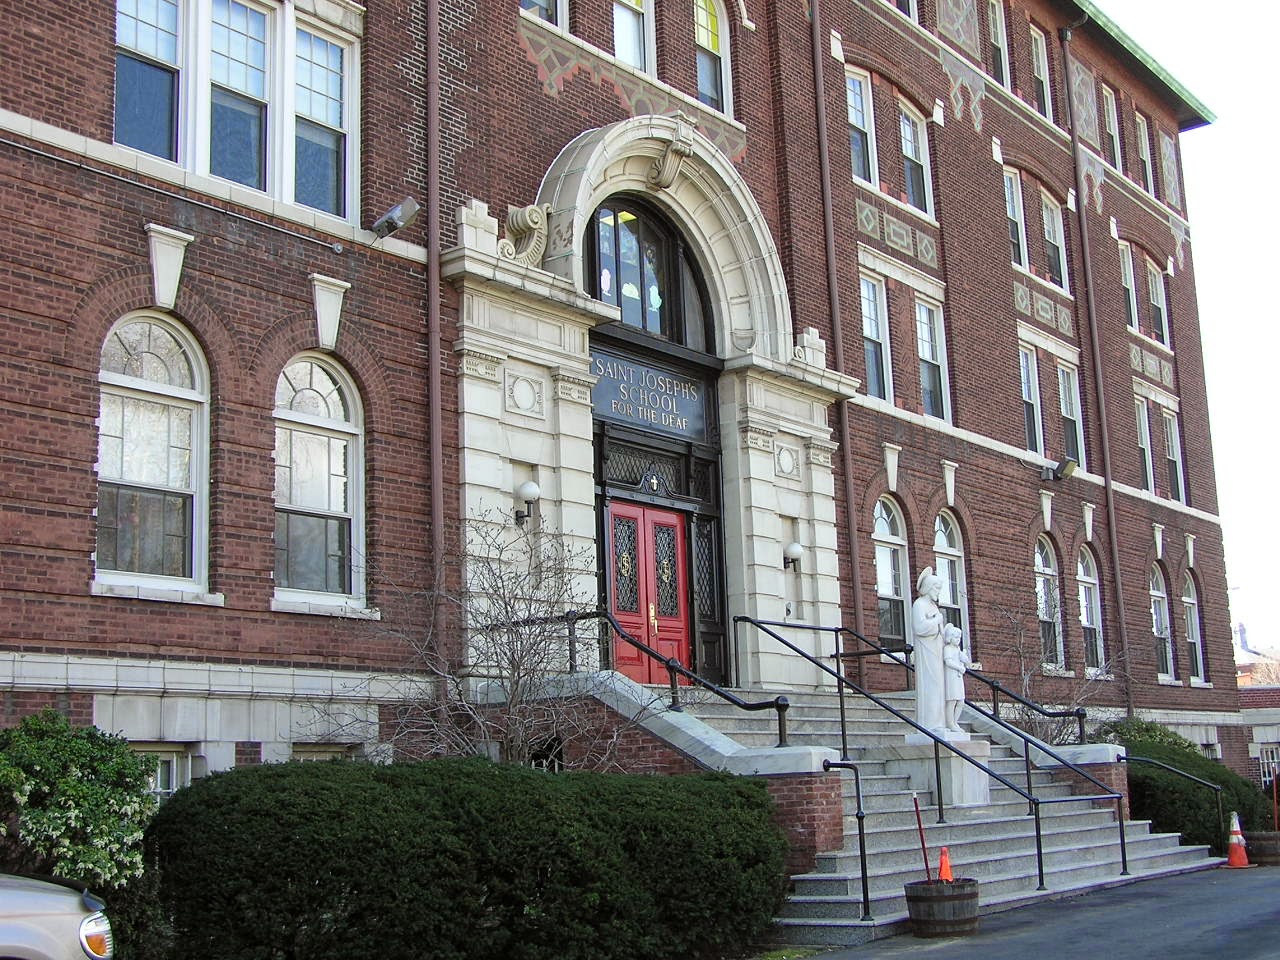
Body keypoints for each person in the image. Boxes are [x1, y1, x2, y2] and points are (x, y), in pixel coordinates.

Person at [911, 566, 947, 735]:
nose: (938, 592)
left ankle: (938, 721)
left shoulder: (933, 606)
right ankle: (929, 723)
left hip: (937, 651)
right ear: (928, 588)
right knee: (930, 685)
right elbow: (920, 628)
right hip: (926, 652)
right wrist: (936, 621)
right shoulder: (919, 605)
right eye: (936, 588)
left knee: (939, 686)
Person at [942, 622, 971, 733]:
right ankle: (950, 723)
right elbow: (948, 661)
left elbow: (965, 661)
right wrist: (959, 667)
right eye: (956, 637)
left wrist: (964, 659)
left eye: (959, 637)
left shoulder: (957, 649)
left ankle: (955, 722)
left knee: (961, 701)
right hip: (951, 677)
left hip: (958, 677)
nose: (958, 639)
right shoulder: (948, 649)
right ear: (950, 637)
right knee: (952, 700)